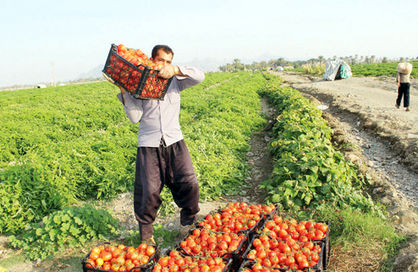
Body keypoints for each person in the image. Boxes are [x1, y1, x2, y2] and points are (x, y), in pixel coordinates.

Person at [116, 45, 205, 244]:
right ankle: (147, 237)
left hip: (175, 141)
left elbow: (200, 76)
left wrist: (175, 70)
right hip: (149, 144)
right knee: (148, 190)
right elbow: (134, 117)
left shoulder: (174, 81)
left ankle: (188, 224)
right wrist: (124, 91)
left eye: (168, 61)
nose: (164, 65)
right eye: (161, 60)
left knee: (188, 182)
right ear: (151, 60)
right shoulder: (138, 85)